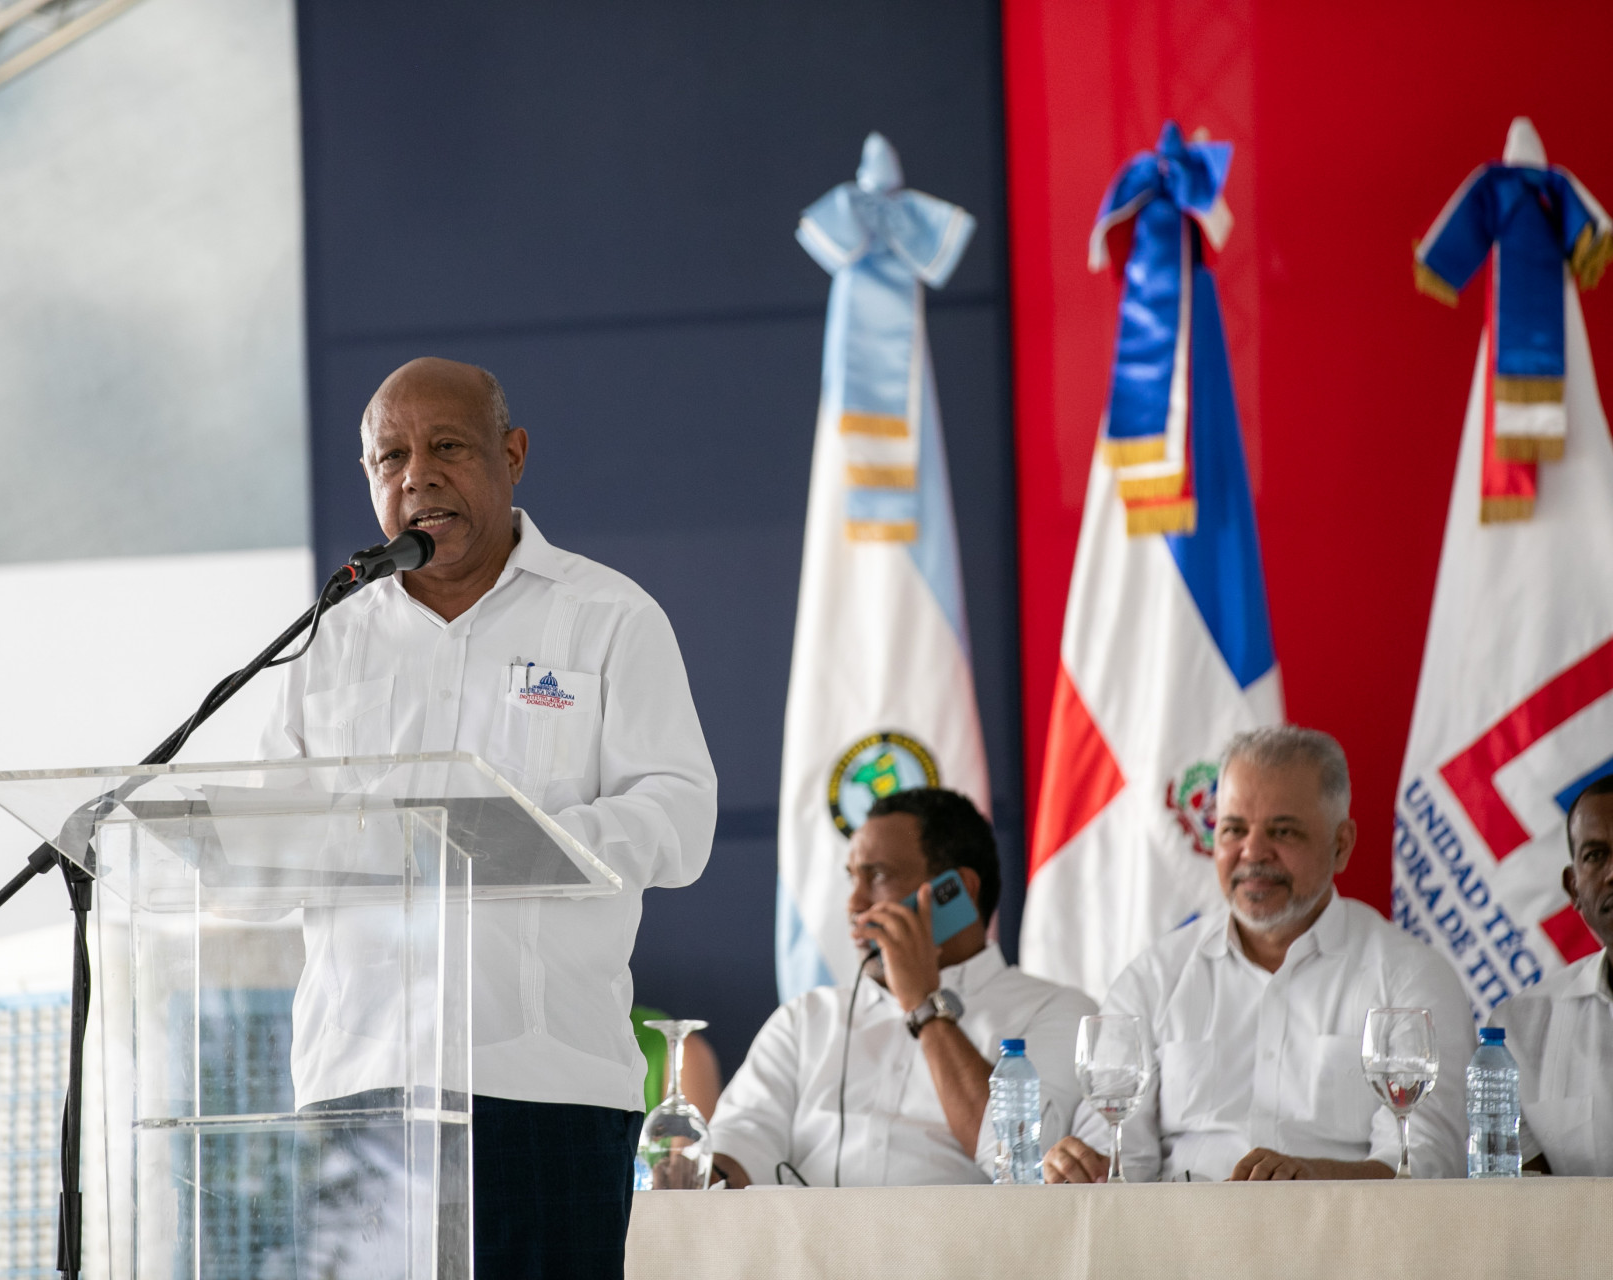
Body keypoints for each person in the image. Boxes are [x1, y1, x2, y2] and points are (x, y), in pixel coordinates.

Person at [261, 358, 717, 1278]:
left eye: (447, 447)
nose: (417, 476)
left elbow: (681, 815)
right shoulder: (327, 639)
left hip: (545, 1094)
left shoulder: (608, 617)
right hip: (360, 1093)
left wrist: (528, 844)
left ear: (512, 455)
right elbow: (271, 840)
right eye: (391, 458)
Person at [1044, 725, 1475, 1183]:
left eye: (1282, 831)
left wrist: (1310, 1182)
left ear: (1341, 845)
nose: (1252, 852)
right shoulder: (1153, 979)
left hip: (1342, 1227)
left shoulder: (1410, 979)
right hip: (1182, 1227)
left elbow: (1425, 1164)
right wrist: (1081, 1167)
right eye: (1233, 829)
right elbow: (1114, 1162)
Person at [710, 788, 1096, 1187]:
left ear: (957, 891)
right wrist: (694, 1170)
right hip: (808, 1229)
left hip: (961, 1230)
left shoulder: (1057, 1011)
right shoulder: (806, 1018)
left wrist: (924, 1003)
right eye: (852, 879)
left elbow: (1020, 1164)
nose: (854, 903)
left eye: (878, 875)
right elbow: (739, 1145)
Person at [1494, 773, 1613, 1175]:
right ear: (1573, 888)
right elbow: (1526, 1199)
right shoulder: (1521, 1028)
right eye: (1596, 855)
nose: (1612, 872)